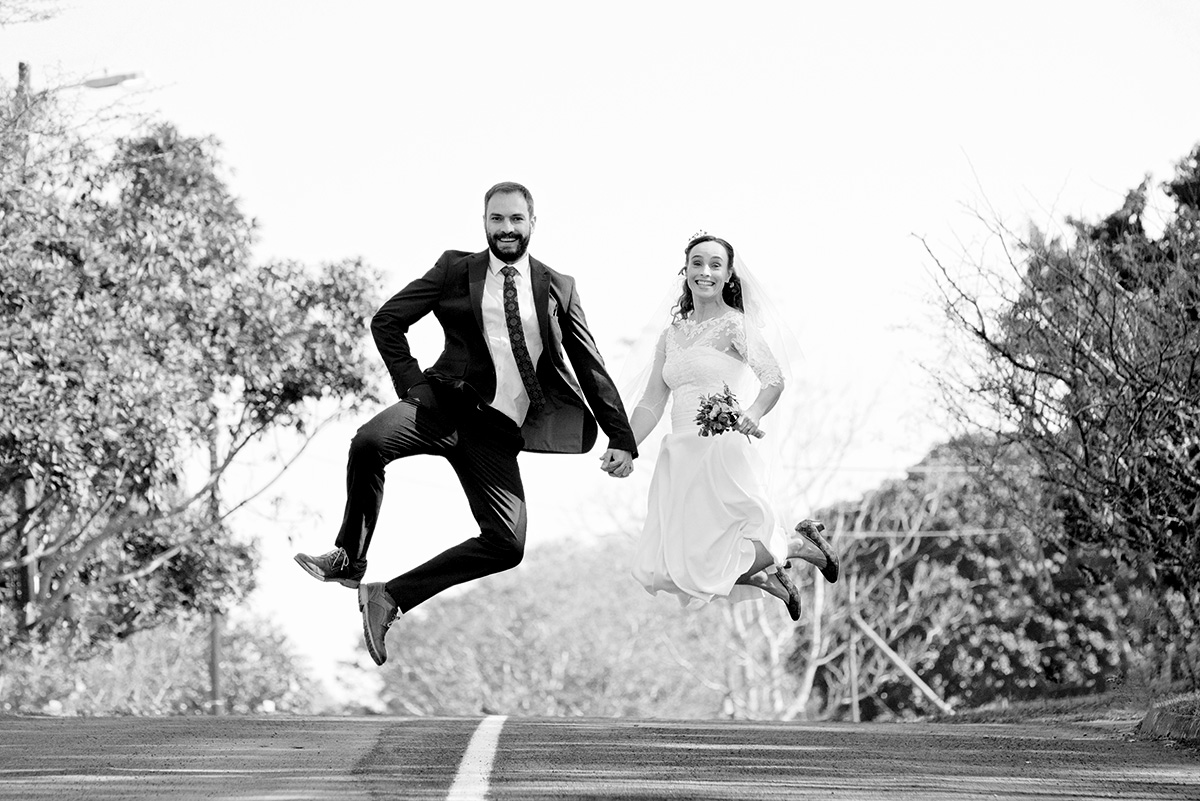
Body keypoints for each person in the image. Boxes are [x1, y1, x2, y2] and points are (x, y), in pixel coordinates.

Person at [294, 182, 637, 665]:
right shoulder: (456, 269)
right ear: (484, 223)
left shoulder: (558, 286)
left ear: (532, 223)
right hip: (442, 405)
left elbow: (588, 363)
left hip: (495, 431)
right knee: (368, 442)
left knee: (506, 545)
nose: (506, 228)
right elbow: (387, 321)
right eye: (497, 219)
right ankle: (349, 558)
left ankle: (389, 597)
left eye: (516, 219)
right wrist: (413, 387)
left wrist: (620, 436)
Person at [615, 233, 838, 620]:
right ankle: (768, 575)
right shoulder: (670, 336)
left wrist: (754, 412)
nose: (705, 271)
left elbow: (773, 380)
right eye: (697, 263)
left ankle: (797, 545)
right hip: (680, 455)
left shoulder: (736, 325)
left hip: (723, 450)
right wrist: (625, 446)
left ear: (729, 274)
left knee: (708, 562)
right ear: (685, 270)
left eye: (715, 264)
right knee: (674, 569)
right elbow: (651, 401)